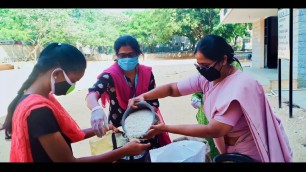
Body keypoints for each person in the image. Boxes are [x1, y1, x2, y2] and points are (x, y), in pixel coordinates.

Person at [128, 34, 293, 162]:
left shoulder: (240, 87)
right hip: (228, 148)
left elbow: (213, 130)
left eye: (205, 66)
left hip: (248, 151)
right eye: (198, 66)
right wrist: (144, 96)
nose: (202, 70)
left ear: (223, 60)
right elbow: (173, 88)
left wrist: (165, 128)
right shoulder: (209, 78)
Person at [0, 43, 150, 162]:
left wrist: (106, 127)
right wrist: (124, 151)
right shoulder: (38, 111)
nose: (73, 86)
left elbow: (66, 135)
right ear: (57, 74)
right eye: (74, 80)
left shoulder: (33, 97)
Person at [85, 35, 171, 149]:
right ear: (117, 55)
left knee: (149, 154)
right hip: (119, 127)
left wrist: (151, 115)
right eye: (122, 55)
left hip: (147, 125)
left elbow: (153, 100)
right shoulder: (110, 75)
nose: (127, 58)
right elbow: (93, 93)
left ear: (138, 54)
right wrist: (96, 109)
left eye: (131, 55)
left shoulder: (147, 73)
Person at [190, 53, 244, 160]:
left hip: (223, 118)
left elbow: (236, 90)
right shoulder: (204, 67)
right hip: (205, 118)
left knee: (224, 152)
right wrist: (195, 97)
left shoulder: (233, 67)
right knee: (208, 149)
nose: (203, 68)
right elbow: (198, 86)